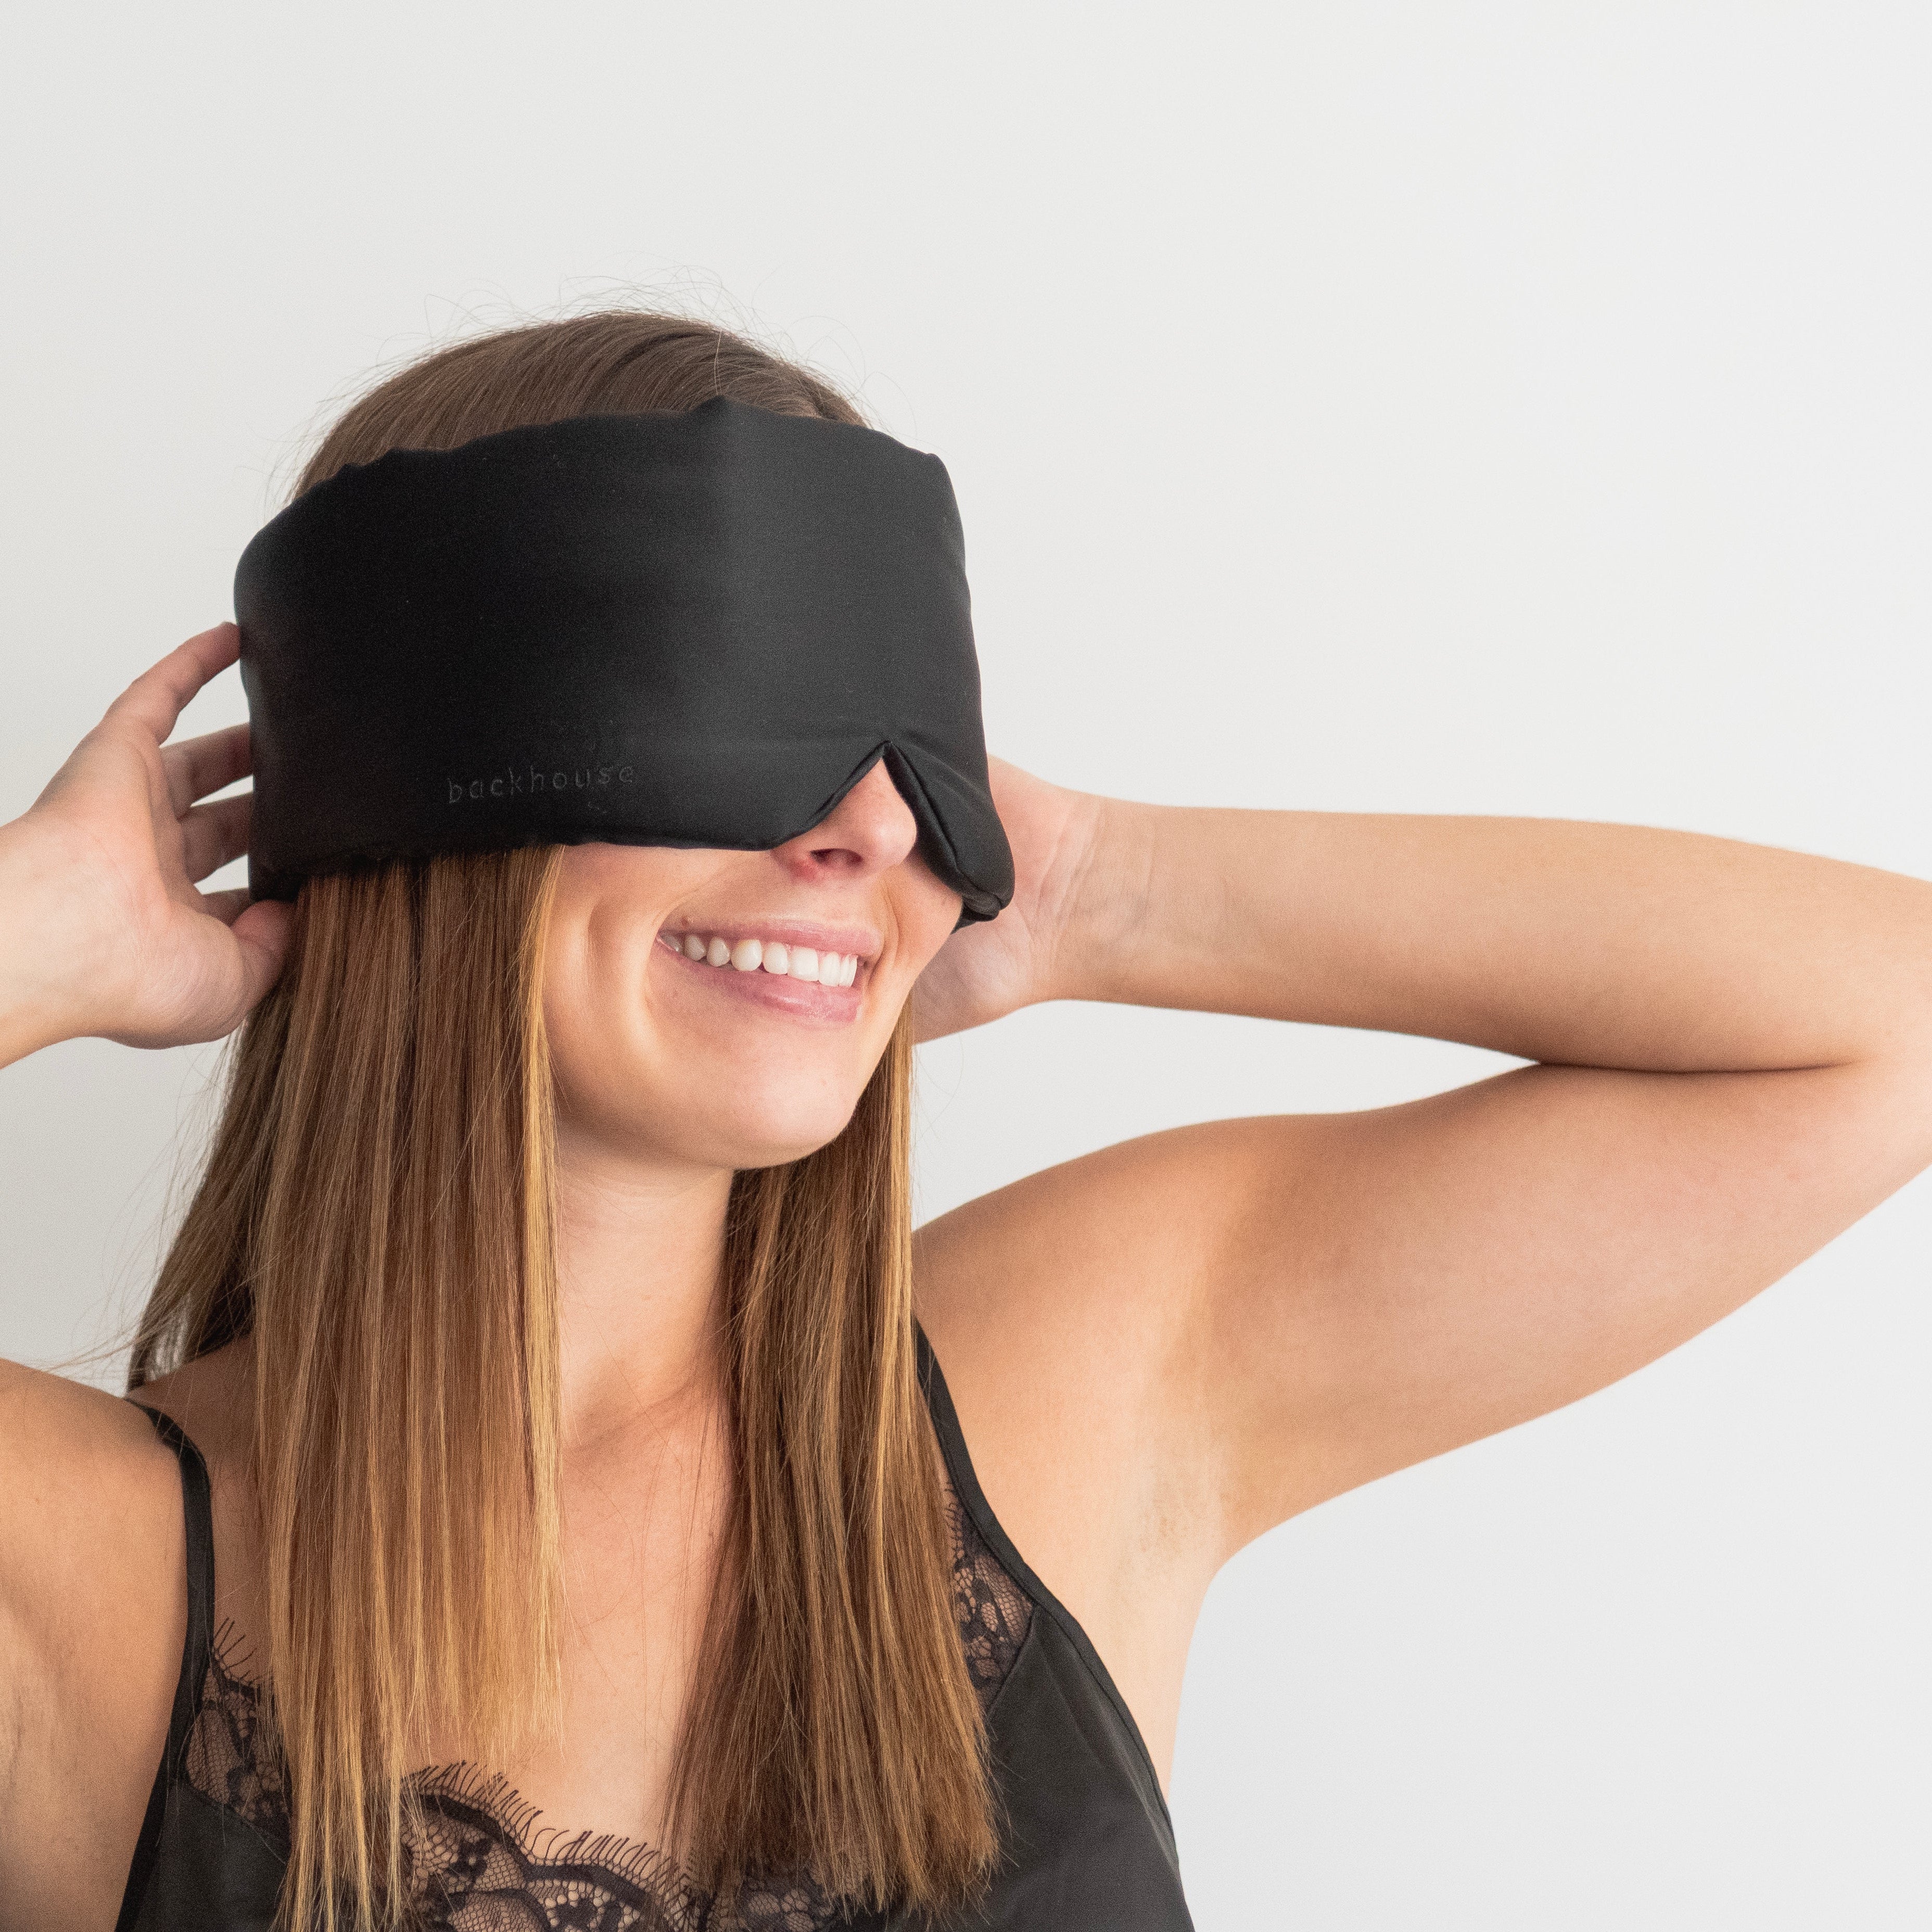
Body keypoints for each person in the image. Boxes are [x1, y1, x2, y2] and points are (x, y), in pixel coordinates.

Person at [2, 312, 1929, 1932]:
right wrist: (44, 936)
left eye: (909, 757)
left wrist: (1100, 887)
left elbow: (1885, 1023)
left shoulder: (1078, 1383)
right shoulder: (76, 1567)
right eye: (731, 709)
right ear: (414, 790)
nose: (867, 830)